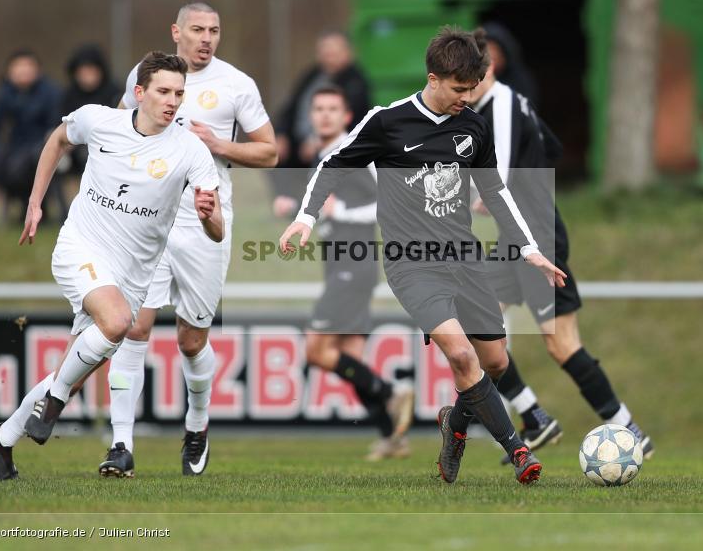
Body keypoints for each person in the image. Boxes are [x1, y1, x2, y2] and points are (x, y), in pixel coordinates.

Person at [280, 26, 566, 485]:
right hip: (411, 264)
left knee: (494, 362)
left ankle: (455, 424)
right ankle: (519, 450)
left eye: (473, 89)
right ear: (433, 78)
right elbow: (333, 164)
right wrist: (306, 217)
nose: (467, 98)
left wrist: (529, 248)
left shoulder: (473, 125)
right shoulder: (387, 122)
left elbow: (495, 192)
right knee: (461, 354)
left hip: (466, 260)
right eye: (459, 89)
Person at [0, 51, 223, 481]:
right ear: (139, 92)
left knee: (74, 370)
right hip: (81, 248)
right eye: (164, 91)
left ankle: (2, 439)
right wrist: (35, 202)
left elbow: (218, 230)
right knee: (117, 322)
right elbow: (57, 140)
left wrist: (208, 216)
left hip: (132, 275)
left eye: (179, 94)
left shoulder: (190, 151)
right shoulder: (99, 120)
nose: (172, 101)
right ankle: (55, 402)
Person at [101, 2, 276, 478]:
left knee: (191, 338)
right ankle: (121, 444)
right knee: (134, 327)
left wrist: (217, 145)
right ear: (176, 31)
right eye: (197, 29)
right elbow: (117, 133)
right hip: (148, 220)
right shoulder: (145, 75)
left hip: (206, 221)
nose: (206, 38)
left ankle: (197, 425)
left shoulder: (236, 84)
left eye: (214, 30)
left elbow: (270, 152)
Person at [468, 30, 654, 462]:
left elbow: (499, 174)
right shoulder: (504, 106)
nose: (463, 85)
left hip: (538, 236)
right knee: (477, 323)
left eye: (469, 75)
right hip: (516, 235)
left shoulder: (502, 103)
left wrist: (478, 195)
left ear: (488, 69)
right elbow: (549, 147)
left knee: (561, 343)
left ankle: (628, 428)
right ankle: (534, 416)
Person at [292, 85, 414, 461]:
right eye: (319, 109)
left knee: (316, 350)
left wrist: (339, 211)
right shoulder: (323, 156)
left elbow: (387, 203)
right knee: (350, 357)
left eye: (333, 108)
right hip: (342, 267)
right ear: (311, 116)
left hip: (353, 265)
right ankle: (392, 438)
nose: (325, 115)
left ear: (346, 116)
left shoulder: (354, 152)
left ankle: (390, 392)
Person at [271, 31, 371, 216]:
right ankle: (286, 202)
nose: (329, 57)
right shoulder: (312, 75)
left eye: (334, 52)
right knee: (272, 153)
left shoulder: (355, 81)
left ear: (348, 53)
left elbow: (355, 121)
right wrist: (281, 133)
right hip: (298, 141)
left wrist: (319, 139)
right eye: (325, 52)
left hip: (332, 143)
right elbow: (290, 107)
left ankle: (315, 206)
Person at [0, 49, 64, 224]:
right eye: (18, 67)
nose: (23, 71)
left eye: (28, 66)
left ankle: (33, 209)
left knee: (21, 167)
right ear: (9, 72)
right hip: (14, 147)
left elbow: (56, 127)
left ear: (38, 70)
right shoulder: (5, 94)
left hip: (40, 147)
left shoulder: (51, 93)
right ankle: (26, 208)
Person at [60, 44, 122, 177]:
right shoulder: (68, 95)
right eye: (82, 71)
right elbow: (59, 124)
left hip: (105, 146)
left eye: (91, 70)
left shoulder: (114, 92)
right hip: (73, 144)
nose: (87, 75)